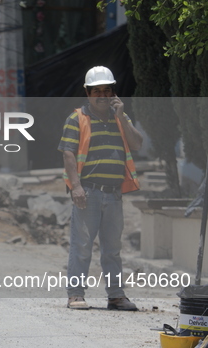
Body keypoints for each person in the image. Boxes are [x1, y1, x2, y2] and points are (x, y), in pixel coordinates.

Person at [58, 66, 143, 311]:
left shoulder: (120, 118)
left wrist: (122, 116)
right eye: (97, 91)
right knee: (82, 245)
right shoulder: (77, 118)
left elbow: (137, 144)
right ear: (88, 92)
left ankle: (116, 296)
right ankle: (75, 294)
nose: (103, 96)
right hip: (89, 192)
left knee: (113, 248)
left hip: (114, 193)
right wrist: (76, 187)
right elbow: (68, 154)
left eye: (107, 90)